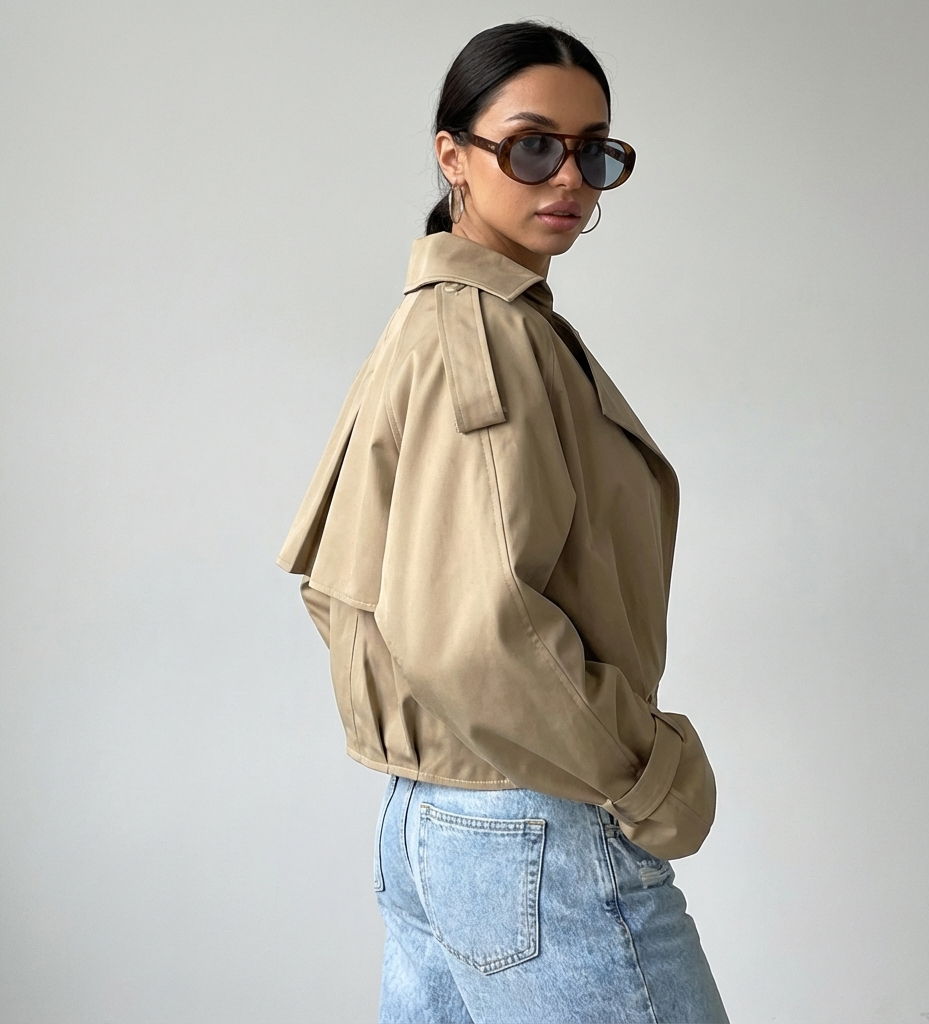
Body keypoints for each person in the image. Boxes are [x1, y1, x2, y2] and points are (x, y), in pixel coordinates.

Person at [277, 20, 729, 1024]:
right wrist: (649, 777)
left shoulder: (439, 322)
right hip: (533, 827)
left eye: (593, 152)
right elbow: (477, 633)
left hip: (440, 822)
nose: (568, 178)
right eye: (531, 146)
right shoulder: (481, 338)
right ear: (454, 156)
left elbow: (349, 592)